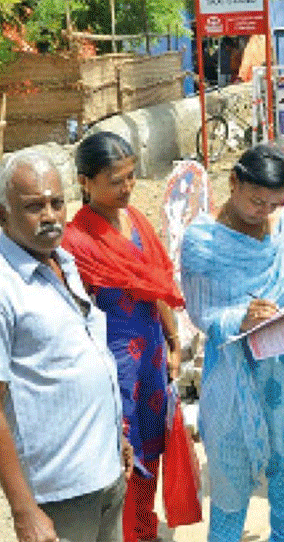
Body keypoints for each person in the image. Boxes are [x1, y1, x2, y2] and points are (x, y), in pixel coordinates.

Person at [180, 145, 284, 542]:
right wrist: (239, 318)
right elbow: (200, 312)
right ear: (233, 183)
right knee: (230, 469)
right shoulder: (202, 241)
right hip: (233, 370)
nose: (264, 211)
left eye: (273, 202)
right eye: (255, 200)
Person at [0, 150, 132, 542]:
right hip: (58, 496)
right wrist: (24, 510)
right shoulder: (5, 285)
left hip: (106, 474)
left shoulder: (62, 261)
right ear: (3, 213)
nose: (50, 216)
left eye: (57, 203)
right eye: (34, 206)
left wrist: (115, 436)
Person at [62, 132, 184, 542]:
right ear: (85, 182)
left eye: (131, 177)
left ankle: (145, 529)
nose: (127, 187)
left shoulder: (137, 220)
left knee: (152, 448)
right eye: (116, 180)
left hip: (150, 356)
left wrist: (172, 339)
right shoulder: (75, 241)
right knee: (121, 457)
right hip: (114, 365)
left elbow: (156, 282)